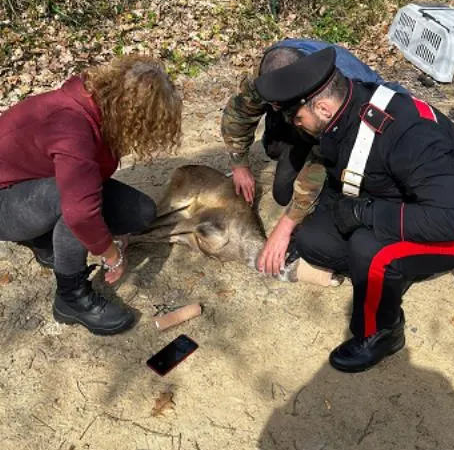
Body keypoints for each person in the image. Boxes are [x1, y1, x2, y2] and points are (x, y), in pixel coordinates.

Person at [253, 47, 454, 373]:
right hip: (402, 201)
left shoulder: (407, 134)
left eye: (297, 118)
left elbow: (449, 219)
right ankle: (390, 270)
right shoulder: (345, 112)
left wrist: (364, 214)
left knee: (370, 251)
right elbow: (341, 176)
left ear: (324, 107)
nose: (296, 126)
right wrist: (293, 228)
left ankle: (381, 332)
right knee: (314, 238)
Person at [0, 54, 182, 336]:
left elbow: (91, 178)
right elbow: (80, 211)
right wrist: (111, 254)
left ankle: (41, 238)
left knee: (139, 212)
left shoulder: (99, 107)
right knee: (71, 204)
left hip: (29, 185)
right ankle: (71, 298)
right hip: (4, 203)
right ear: (131, 112)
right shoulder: (70, 125)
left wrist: (110, 232)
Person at [221, 38, 409, 275]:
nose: (278, 111)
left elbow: (322, 160)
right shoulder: (265, 75)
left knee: (331, 190)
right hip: (310, 117)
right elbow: (238, 114)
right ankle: (301, 137)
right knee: (281, 186)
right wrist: (239, 163)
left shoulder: (334, 93)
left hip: (359, 130)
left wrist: (287, 224)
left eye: (286, 108)